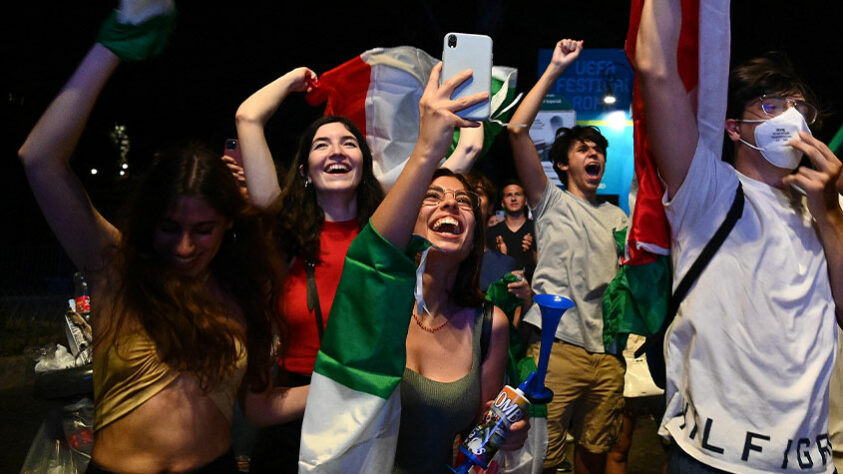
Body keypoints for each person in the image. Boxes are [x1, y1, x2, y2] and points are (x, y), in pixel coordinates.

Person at [18, 16, 308, 473]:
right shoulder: (117, 269)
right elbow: (39, 160)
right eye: (170, 227)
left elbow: (258, 407)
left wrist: (348, 384)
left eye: (204, 229)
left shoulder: (241, 291)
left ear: (228, 225)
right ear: (150, 220)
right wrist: (109, 48)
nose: (186, 246)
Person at [634, 0, 842, 472]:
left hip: (808, 462)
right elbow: (656, 68)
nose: (791, 120)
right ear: (734, 127)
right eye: (771, 106)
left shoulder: (825, 207)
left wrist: (829, 212)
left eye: (800, 108)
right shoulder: (708, 187)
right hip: (710, 460)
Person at [234, 67, 384, 472]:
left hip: (374, 418)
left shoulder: (387, 232)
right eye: (322, 145)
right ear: (304, 170)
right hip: (293, 419)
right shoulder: (283, 233)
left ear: (365, 164)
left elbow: (456, 155)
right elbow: (248, 118)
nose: (336, 151)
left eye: (349, 143)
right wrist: (291, 80)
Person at [508, 39, 629, 474]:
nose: (594, 153)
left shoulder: (619, 216)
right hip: (558, 349)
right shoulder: (549, 201)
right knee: (546, 456)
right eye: (583, 149)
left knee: (594, 455)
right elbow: (517, 131)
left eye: (598, 150)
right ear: (562, 165)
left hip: (608, 354)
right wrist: (555, 70)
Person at [486, 180, 537, 282]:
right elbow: (487, 271)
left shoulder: (537, 230)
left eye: (517, 194)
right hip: (501, 291)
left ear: (526, 201)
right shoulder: (492, 232)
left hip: (532, 291)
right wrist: (500, 256)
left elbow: (547, 266)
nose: (513, 199)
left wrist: (532, 251)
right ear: (502, 203)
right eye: (509, 195)